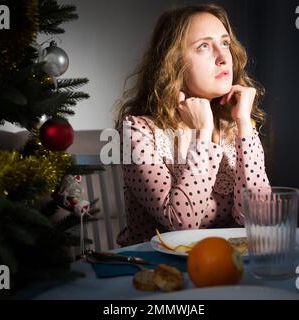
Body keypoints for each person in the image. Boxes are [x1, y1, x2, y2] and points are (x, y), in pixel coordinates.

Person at [114, 4, 270, 246]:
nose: (223, 58)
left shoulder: (232, 125)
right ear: (173, 63)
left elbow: (260, 218)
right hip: (151, 270)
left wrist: (244, 125)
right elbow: (181, 223)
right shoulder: (135, 131)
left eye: (225, 43)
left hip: (222, 266)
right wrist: (203, 134)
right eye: (204, 46)